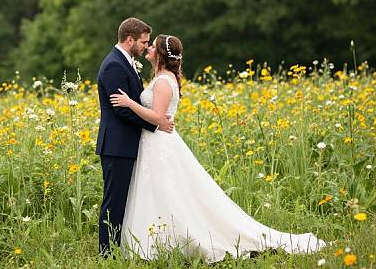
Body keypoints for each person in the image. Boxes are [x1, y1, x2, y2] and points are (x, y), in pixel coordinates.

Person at [110, 34, 327, 262]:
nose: (148, 49)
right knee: (159, 191)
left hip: (160, 144)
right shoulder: (161, 77)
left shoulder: (164, 81)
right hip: (154, 142)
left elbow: (156, 117)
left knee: (167, 191)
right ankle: (155, 242)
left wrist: (129, 103)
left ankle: (173, 242)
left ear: (161, 54)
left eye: (152, 46)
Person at [96, 18, 174, 256]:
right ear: (129, 40)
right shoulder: (113, 66)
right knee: (114, 200)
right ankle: (106, 253)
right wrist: (156, 124)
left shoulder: (125, 62)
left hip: (126, 143)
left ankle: (119, 247)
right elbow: (121, 109)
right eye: (143, 41)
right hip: (117, 145)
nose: (145, 46)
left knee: (124, 199)